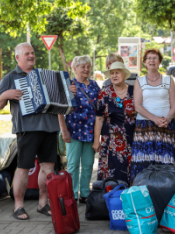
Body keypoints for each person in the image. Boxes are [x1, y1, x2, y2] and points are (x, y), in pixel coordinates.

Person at [0, 43, 77, 220]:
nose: (31, 56)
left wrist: (69, 92)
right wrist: (6, 95)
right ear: (17, 58)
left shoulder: (45, 75)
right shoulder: (10, 77)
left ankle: (42, 204)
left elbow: (61, 102)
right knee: (23, 169)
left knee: (48, 168)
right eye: (27, 53)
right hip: (27, 130)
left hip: (49, 128)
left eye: (32, 53)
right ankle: (18, 206)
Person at [131, 49, 175, 182]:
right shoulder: (139, 81)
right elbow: (138, 106)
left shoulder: (169, 80)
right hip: (145, 126)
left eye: (155, 58)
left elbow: (174, 104)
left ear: (159, 62)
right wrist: (155, 119)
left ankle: (167, 190)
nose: (152, 60)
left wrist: (168, 119)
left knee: (165, 161)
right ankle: (143, 193)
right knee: (144, 162)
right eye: (149, 58)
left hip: (166, 126)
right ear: (145, 62)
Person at [58, 55, 100, 203]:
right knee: (73, 164)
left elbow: (99, 111)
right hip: (73, 131)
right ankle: (73, 193)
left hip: (90, 131)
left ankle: (85, 193)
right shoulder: (69, 85)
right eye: (82, 67)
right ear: (74, 68)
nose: (86, 69)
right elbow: (60, 111)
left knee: (88, 164)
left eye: (88, 66)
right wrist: (64, 131)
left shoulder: (94, 85)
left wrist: (97, 137)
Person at [93, 61, 136, 185]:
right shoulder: (104, 93)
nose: (114, 75)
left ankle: (128, 199)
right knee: (110, 172)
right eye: (112, 73)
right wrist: (96, 140)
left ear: (124, 74)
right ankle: (109, 199)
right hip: (110, 141)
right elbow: (99, 118)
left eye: (117, 72)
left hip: (130, 140)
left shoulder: (133, 91)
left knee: (129, 172)